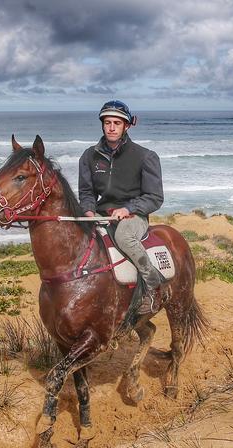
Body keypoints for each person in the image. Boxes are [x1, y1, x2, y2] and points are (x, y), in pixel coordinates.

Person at [78, 100, 164, 314]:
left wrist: (129, 209)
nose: (112, 127)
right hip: (101, 212)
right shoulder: (89, 156)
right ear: (102, 125)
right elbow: (87, 193)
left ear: (127, 126)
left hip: (134, 215)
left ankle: (154, 287)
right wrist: (88, 211)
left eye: (117, 122)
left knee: (124, 237)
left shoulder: (145, 156)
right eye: (108, 122)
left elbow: (155, 197)